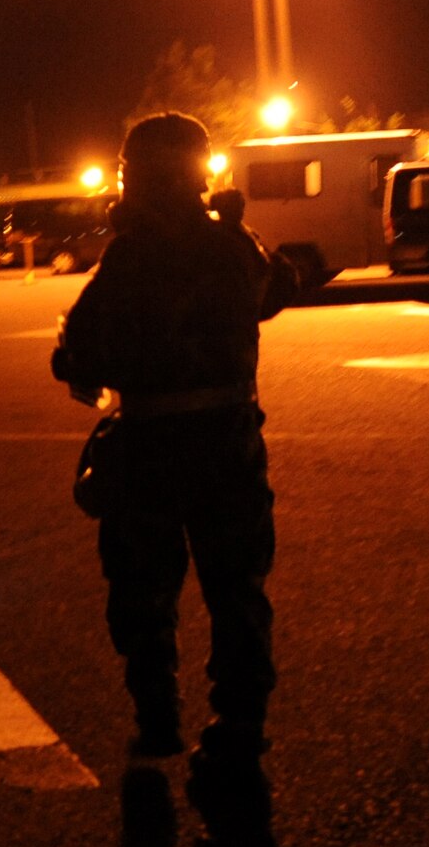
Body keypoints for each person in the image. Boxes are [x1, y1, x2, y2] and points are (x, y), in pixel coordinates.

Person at [52, 113, 295, 788]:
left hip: (150, 447)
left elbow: (81, 354)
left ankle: (158, 713)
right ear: (198, 172)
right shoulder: (230, 246)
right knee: (236, 589)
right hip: (227, 444)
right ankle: (239, 726)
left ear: (136, 173)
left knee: (142, 589)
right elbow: (278, 290)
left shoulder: (128, 257)